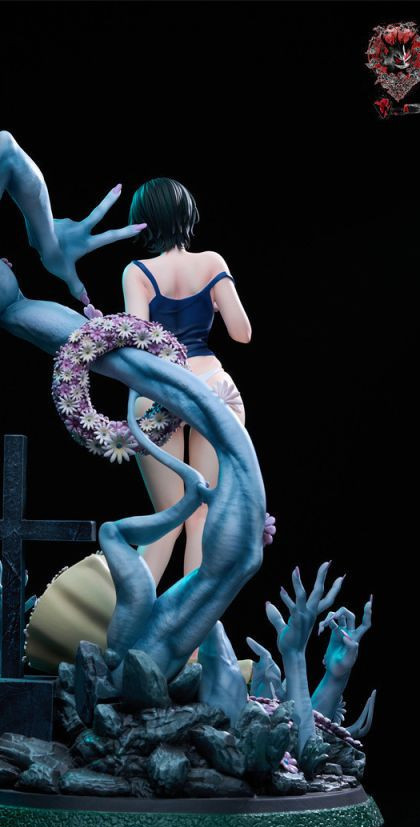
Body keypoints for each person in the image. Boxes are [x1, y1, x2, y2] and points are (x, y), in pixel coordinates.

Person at [122, 178, 272, 589]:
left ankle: (129, 621)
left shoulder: (137, 272)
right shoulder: (212, 262)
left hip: (160, 389)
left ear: (144, 220)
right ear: (187, 215)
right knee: (203, 516)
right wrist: (214, 296)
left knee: (166, 518)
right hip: (212, 388)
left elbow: (138, 343)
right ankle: (193, 627)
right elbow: (242, 333)